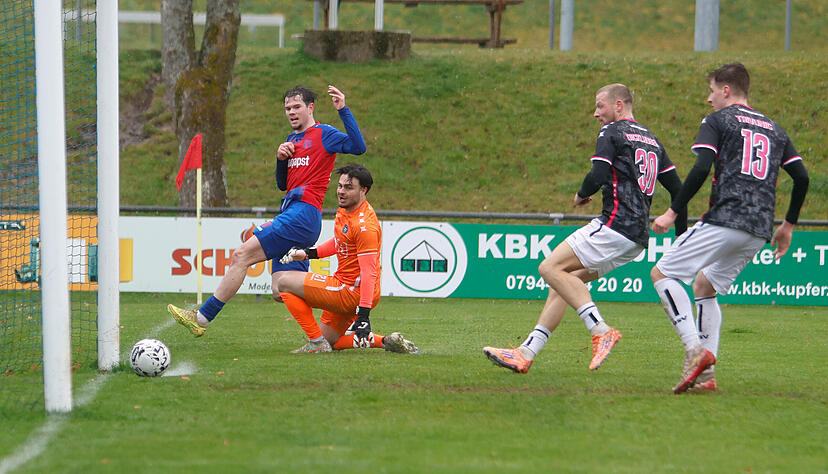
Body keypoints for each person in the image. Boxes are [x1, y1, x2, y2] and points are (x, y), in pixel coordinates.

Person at [483, 83, 686, 374]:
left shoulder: (612, 132)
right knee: (563, 283)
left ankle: (600, 329)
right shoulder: (652, 140)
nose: (595, 113)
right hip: (636, 238)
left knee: (549, 268)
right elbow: (679, 190)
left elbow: (598, 174)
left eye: (600, 105)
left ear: (618, 105)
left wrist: (581, 194)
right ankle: (525, 353)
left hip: (614, 225)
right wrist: (680, 237)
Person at [650, 62, 809, 394]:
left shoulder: (718, 120)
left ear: (725, 90)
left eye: (711, 91)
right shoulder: (774, 128)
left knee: (662, 273)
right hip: (759, 229)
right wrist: (788, 225)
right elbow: (802, 177)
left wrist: (672, 211)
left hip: (726, 218)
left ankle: (694, 350)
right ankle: (705, 377)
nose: (708, 99)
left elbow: (701, 167)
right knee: (704, 285)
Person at [168, 85, 367, 336]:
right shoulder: (291, 140)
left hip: (302, 214)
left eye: (296, 107)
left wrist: (343, 110)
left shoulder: (324, 134)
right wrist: (280, 160)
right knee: (280, 288)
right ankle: (344, 307)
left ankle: (202, 318)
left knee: (241, 255)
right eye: (287, 108)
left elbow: (358, 147)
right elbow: (283, 184)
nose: (291, 112)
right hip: (292, 213)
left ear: (310, 108)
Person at [277, 164, 419, 354]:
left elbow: (369, 272)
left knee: (283, 282)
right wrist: (308, 253)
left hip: (351, 291)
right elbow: (340, 241)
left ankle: (316, 344)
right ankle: (386, 341)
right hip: (353, 290)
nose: (341, 191)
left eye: (349, 187)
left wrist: (364, 314)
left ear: (363, 190)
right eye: (340, 186)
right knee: (332, 341)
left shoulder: (365, 226)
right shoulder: (346, 209)